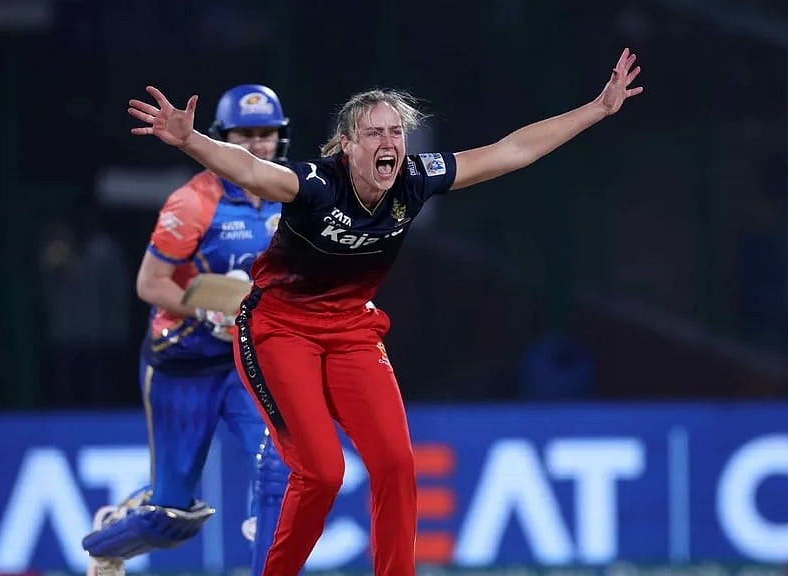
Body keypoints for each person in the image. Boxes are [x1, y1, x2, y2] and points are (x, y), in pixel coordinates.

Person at [126, 48, 643, 576]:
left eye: (396, 132)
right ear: (347, 146)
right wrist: (190, 139)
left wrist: (597, 109)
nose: (389, 142)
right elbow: (255, 173)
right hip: (278, 331)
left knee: (397, 464)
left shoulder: (415, 180)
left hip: (352, 331)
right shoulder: (316, 184)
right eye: (373, 133)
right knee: (322, 473)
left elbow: (513, 150)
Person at [81, 84, 294, 576]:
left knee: (283, 466)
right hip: (184, 363)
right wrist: (208, 312)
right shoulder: (193, 202)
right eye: (245, 134)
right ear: (222, 137)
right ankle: (109, 535)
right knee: (173, 517)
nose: (257, 145)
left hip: (247, 362)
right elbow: (149, 283)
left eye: (267, 134)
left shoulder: (289, 194)